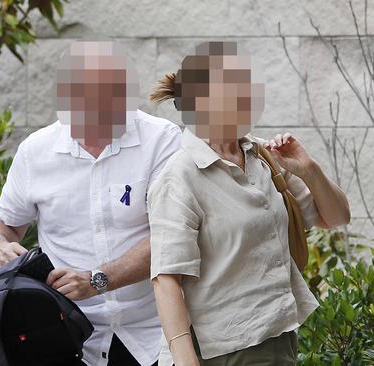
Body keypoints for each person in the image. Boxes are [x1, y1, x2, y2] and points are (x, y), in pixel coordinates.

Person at [147, 41, 351, 366]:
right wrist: (184, 358)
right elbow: (167, 278)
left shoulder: (263, 156)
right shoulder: (180, 176)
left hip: (280, 335)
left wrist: (308, 170)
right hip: (225, 350)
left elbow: (337, 217)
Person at [0, 40, 181, 366]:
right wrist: (0, 246)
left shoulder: (162, 140)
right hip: (67, 336)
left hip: (153, 334)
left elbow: (172, 235)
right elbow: (2, 225)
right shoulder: (36, 151)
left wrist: (96, 281)